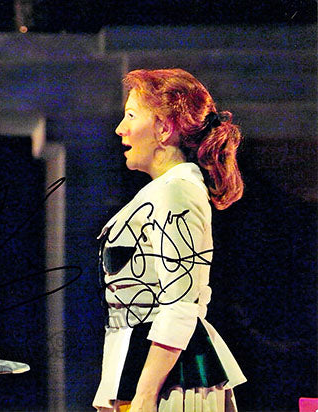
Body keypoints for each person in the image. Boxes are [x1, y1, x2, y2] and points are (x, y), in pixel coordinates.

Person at [93, 68, 247, 412]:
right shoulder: (165, 191)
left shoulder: (177, 192)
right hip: (145, 372)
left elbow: (180, 303)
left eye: (131, 115)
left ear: (164, 128)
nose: (120, 128)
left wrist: (145, 394)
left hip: (170, 383)